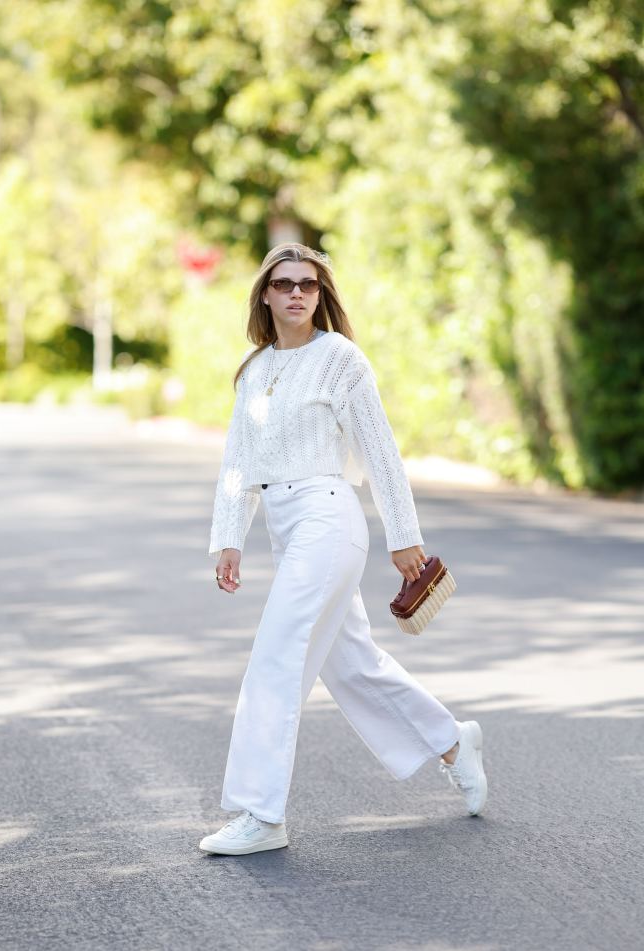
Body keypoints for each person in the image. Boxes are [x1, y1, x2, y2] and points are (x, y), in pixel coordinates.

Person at [199, 243, 487, 856]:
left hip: (328, 517)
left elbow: (381, 452)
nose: (296, 293)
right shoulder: (254, 371)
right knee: (352, 664)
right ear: (266, 295)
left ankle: (261, 814)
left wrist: (404, 537)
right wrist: (228, 537)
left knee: (275, 657)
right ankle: (452, 741)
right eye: (284, 284)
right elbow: (238, 461)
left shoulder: (341, 359)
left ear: (321, 295)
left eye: (308, 284)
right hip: (286, 527)